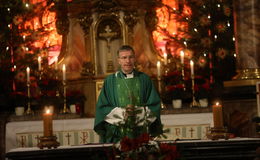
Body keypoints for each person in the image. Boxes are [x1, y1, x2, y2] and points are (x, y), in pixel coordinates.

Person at [94, 45, 162, 143]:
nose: (128, 61)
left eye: (130, 57)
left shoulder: (144, 79)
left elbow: (154, 105)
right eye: (124, 58)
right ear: (119, 60)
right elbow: (102, 107)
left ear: (134, 59)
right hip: (117, 133)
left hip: (140, 132)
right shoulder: (110, 81)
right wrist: (122, 113)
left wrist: (137, 112)